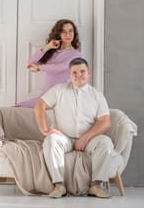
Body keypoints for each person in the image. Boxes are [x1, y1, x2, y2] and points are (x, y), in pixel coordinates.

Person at [34, 57, 117, 199]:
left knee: (106, 143)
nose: (79, 75)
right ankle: (59, 186)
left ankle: (95, 186)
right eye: (74, 73)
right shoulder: (59, 90)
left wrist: (85, 137)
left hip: (89, 140)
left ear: (89, 73)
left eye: (82, 71)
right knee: (51, 140)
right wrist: (45, 130)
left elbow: (105, 121)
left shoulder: (97, 96)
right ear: (69, 75)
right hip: (64, 137)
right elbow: (40, 106)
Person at [15, 19, 81, 108]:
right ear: (59, 34)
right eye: (64, 32)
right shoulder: (53, 52)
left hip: (61, 97)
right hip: (46, 96)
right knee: (19, 107)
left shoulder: (76, 54)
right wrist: (48, 47)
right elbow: (30, 63)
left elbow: (62, 67)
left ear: (74, 33)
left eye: (70, 31)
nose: (68, 34)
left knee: (21, 108)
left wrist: (39, 68)